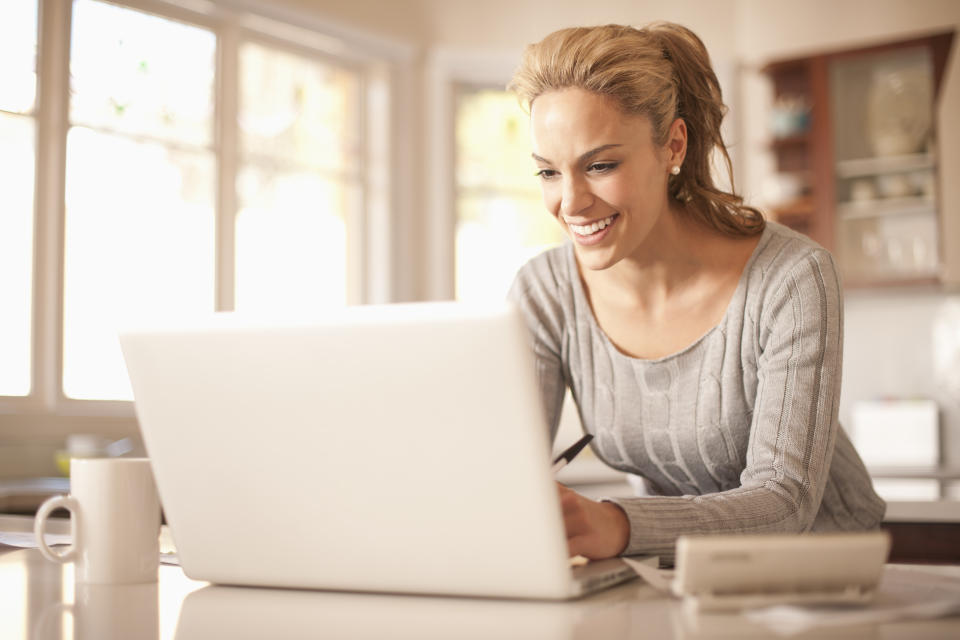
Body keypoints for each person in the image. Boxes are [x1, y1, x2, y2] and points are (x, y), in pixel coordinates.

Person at [506, 22, 886, 560]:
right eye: (548, 172)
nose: (570, 203)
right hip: (676, 571)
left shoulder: (792, 279)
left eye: (601, 165)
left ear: (673, 146)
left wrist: (618, 525)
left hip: (825, 575)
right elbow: (507, 475)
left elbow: (785, 501)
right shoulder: (545, 292)